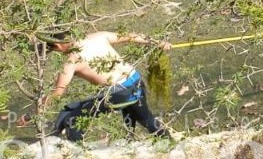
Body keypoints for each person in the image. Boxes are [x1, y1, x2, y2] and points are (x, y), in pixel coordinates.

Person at [35, 29, 172, 142]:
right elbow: (130, 35)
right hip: (135, 81)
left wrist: (32, 115)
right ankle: (169, 142)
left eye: (54, 50)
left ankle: (74, 151)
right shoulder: (97, 37)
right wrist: (157, 42)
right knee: (146, 119)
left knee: (70, 115)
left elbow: (57, 94)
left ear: (58, 46)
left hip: (119, 92)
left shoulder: (71, 62)